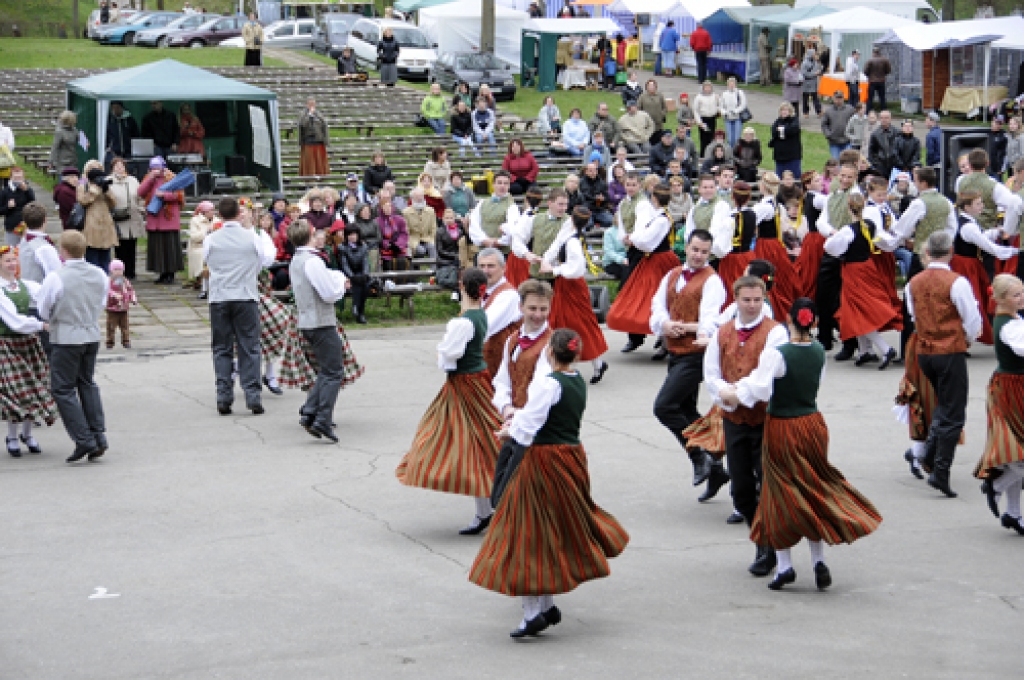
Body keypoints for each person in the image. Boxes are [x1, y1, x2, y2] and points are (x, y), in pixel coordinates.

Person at [470, 326, 628, 639]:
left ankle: (533, 612)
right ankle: (545, 605)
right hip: (570, 458)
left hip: (543, 460)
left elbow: (530, 425)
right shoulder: (576, 381)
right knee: (549, 527)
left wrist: (508, 431)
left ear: (549, 353)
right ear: (577, 355)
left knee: (526, 530)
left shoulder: (547, 384)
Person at [743, 299, 882, 590]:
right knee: (812, 486)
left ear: (788, 320)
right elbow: (815, 383)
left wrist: (732, 392)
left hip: (783, 425)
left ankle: (784, 566)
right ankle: (818, 561)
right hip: (813, 424)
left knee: (779, 490)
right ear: (815, 323)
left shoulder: (776, 355)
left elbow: (759, 390)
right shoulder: (820, 352)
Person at [396, 267, 502, 533]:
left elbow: (449, 358)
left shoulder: (463, 321)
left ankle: (491, 506)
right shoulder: (480, 315)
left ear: (463, 287)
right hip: (476, 380)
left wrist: (441, 355)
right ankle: (484, 511)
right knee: (479, 442)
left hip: (465, 384)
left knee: (467, 443)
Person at [705, 275, 788, 575]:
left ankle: (768, 545)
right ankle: (760, 534)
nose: (752, 305)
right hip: (734, 420)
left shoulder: (776, 333)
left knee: (767, 483)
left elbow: (764, 380)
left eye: (757, 300)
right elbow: (711, 373)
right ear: (736, 300)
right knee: (741, 490)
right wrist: (723, 395)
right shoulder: (722, 333)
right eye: (746, 300)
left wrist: (735, 392)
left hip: (767, 419)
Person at [651, 228, 730, 495]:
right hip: (675, 351)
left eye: (704, 252)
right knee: (687, 412)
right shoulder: (672, 275)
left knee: (664, 407)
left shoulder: (712, 281)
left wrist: (683, 328)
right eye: (695, 250)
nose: (698, 256)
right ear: (687, 246)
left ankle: (699, 457)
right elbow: (658, 305)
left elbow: (710, 321)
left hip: (696, 354)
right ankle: (716, 469)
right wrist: (665, 323)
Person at [905, 231, 982, 497]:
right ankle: (940, 470)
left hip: (924, 350)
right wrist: (967, 339)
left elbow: (913, 314)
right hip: (949, 350)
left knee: (943, 404)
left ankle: (929, 455)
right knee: (954, 411)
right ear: (950, 251)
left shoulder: (913, 282)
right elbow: (971, 318)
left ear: (927, 253)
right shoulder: (957, 282)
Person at [37, 231, 109, 463]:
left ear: (63, 251)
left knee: (63, 388)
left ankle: (83, 438)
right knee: (87, 383)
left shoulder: (57, 277)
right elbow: (102, 302)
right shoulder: (99, 273)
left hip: (66, 335)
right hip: (90, 332)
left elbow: (43, 309)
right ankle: (98, 435)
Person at [204, 196, 276, 417]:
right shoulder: (252, 237)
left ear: (220, 214)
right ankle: (252, 394)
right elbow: (264, 261)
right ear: (238, 213)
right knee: (249, 346)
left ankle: (224, 396)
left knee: (222, 347)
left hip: (219, 296)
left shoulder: (211, 239)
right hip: (245, 295)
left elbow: (206, 262)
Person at [286, 219, 351, 443]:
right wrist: (341, 285)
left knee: (326, 370)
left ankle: (309, 411)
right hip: (320, 322)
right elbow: (328, 293)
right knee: (334, 372)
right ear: (310, 236)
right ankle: (322, 417)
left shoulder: (298, 259)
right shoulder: (312, 261)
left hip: (307, 321)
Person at [823, 192, 901, 369]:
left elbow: (830, 247)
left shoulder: (848, 230)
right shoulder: (870, 225)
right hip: (868, 267)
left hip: (854, 271)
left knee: (857, 310)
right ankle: (865, 350)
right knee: (857, 309)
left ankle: (885, 348)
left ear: (849, 208)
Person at [607, 182, 680, 354]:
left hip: (659, 260)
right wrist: (634, 238)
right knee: (647, 296)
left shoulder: (662, 219)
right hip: (651, 259)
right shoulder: (656, 216)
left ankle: (665, 341)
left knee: (660, 298)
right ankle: (646, 337)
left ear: (654, 198)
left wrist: (633, 238)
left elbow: (646, 242)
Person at [976, 274, 1024, 532]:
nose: (1022, 297)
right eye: (1017, 295)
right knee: (1017, 451)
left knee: (1015, 452)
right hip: (1012, 388)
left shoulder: (1014, 319)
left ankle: (1014, 513)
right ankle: (996, 486)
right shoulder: (1008, 326)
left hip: (1013, 384)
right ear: (1003, 299)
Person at [539, 206, 609, 383]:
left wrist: (554, 269)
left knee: (578, 324)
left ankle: (596, 363)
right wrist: (545, 260)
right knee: (559, 320)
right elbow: (556, 244)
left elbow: (576, 269)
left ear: (572, 220)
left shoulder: (573, 242)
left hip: (573, 286)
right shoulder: (570, 234)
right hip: (565, 284)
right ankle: (556, 363)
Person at [0, 241, 56, 457]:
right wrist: (41, 324)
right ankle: (12, 437)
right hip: (7, 343)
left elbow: (46, 297)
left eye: (14, 259)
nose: (12, 264)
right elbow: (15, 321)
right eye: (7, 261)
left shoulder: (26, 285)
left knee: (34, 388)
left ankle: (28, 434)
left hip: (28, 344)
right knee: (15, 393)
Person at [477, 248, 523, 378]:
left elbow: (484, 327)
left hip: (502, 371)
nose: (485, 271)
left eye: (491, 266)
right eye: (482, 266)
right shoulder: (480, 293)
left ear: (504, 268)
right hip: (487, 369)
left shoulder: (508, 295)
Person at [468, 171, 520, 260]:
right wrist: (484, 240)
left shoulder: (512, 206)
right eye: (499, 183)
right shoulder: (482, 203)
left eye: (505, 183)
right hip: (483, 252)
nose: (502, 186)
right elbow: (474, 224)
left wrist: (498, 242)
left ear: (509, 186)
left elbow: (513, 229)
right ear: (493, 185)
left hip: (503, 254)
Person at [77, 161, 118, 272]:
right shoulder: (82, 181)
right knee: (92, 258)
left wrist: (106, 190)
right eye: (92, 168)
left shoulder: (104, 180)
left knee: (106, 259)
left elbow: (113, 203)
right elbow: (82, 200)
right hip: (91, 223)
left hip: (105, 223)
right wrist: (94, 190)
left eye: (98, 168)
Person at [107, 158, 143, 280]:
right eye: (116, 166)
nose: (119, 168)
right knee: (120, 247)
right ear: (112, 168)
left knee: (132, 245)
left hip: (133, 217)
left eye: (121, 166)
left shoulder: (133, 181)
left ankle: (131, 271)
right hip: (118, 218)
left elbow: (139, 196)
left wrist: (141, 208)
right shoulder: (108, 181)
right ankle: (120, 272)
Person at [104, 258, 135, 349]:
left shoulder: (125, 281)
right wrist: (113, 295)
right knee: (111, 326)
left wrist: (132, 298)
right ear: (111, 270)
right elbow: (107, 291)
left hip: (123, 307)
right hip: (112, 308)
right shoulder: (109, 281)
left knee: (125, 326)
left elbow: (130, 290)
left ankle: (126, 341)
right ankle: (110, 341)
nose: (118, 272)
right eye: (115, 270)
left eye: (120, 270)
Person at [0, 167, 35, 247]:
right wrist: (8, 207)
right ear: (11, 178)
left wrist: (27, 191)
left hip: (26, 226)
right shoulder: (5, 192)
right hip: (11, 226)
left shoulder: (28, 190)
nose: (18, 180)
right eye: (15, 178)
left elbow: (33, 205)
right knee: (12, 250)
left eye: (20, 178)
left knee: (27, 249)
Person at [188, 200, 215, 299]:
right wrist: (206, 231)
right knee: (204, 258)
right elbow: (194, 237)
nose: (213, 212)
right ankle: (204, 289)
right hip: (199, 246)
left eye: (213, 210)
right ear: (204, 212)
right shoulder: (195, 221)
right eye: (210, 210)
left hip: (215, 247)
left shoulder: (217, 221)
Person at [769, 102, 802, 178]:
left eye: (786, 110)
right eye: (782, 110)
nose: (784, 112)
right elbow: (774, 131)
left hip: (792, 156)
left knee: (794, 177)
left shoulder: (794, 120)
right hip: (780, 156)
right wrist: (782, 130)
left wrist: (782, 129)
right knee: (779, 177)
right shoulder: (777, 121)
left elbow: (793, 129)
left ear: (790, 111)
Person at [298, 99, 329, 177]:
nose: (312, 106)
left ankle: (321, 177)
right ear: (307, 105)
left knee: (319, 162)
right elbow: (302, 125)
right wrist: (309, 115)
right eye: (310, 104)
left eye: (313, 104)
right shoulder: (303, 114)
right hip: (308, 142)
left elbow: (324, 126)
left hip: (319, 141)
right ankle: (309, 178)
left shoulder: (319, 114)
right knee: (309, 163)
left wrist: (325, 140)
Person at [377, 200, 410, 271]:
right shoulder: (377, 221)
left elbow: (404, 234)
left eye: (389, 206)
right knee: (387, 262)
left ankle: (403, 279)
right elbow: (378, 237)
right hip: (385, 248)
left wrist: (398, 244)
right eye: (385, 207)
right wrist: (387, 244)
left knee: (403, 261)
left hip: (399, 247)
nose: (388, 208)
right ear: (381, 208)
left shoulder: (400, 219)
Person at [579, 161, 613, 229]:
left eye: (595, 170)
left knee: (611, 221)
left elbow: (607, 197)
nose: (593, 172)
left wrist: (603, 199)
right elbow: (586, 195)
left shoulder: (602, 183)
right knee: (588, 225)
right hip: (587, 209)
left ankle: (598, 223)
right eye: (590, 170)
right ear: (586, 172)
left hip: (599, 209)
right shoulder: (582, 182)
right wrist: (596, 198)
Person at [821, 91, 854, 159]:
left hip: (847, 141)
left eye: (840, 98)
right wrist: (828, 134)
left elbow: (855, 123)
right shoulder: (828, 111)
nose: (839, 100)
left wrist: (852, 135)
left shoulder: (850, 109)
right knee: (836, 162)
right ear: (833, 98)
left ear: (843, 98)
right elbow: (824, 124)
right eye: (837, 98)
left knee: (847, 162)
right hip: (834, 142)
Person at [105, 101, 137, 168]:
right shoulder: (108, 121)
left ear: (122, 108)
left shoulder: (130, 120)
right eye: (113, 108)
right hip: (113, 153)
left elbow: (135, 135)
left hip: (129, 153)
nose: (115, 110)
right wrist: (108, 147)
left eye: (117, 107)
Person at [868, 110, 897, 180]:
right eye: (882, 118)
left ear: (890, 119)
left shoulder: (897, 132)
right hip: (880, 165)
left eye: (886, 118)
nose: (884, 120)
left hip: (895, 165)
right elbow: (871, 151)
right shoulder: (875, 134)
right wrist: (876, 164)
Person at [693, 82, 720, 156]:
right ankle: (703, 155)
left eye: (709, 87)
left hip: (712, 119)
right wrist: (699, 122)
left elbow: (719, 105)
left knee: (711, 138)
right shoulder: (699, 97)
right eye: (706, 87)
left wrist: (718, 111)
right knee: (704, 139)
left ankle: (711, 155)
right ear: (703, 88)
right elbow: (696, 110)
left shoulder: (715, 96)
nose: (707, 89)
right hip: (703, 120)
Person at [49, 111, 78, 176]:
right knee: (64, 182)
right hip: (63, 163)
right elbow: (54, 147)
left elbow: (79, 137)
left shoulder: (74, 129)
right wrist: (51, 162)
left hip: (73, 161)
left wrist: (85, 142)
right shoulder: (59, 132)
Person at [720, 77, 747, 148]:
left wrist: (736, 111)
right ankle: (730, 154)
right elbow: (721, 106)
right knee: (729, 139)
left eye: (733, 84)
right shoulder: (724, 94)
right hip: (728, 118)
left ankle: (736, 154)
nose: (731, 85)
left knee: (736, 138)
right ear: (727, 85)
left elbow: (743, 104)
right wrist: (724, 112)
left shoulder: (739, 92)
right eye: (730, 84)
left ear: (735, 84)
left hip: (737, 117)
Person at [639, 80, 668, 145]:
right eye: (649, 86)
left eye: (653, 86)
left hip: (658, 124)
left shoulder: (660, 96)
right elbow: (638, 109)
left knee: (658, 143)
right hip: (647, 125)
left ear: (655, 87)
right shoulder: (642, 97)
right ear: (646, 87)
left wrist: (661, 115)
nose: (651, 87)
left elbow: (665, 108)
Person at [864, 47, 891, 113]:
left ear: (873, 52)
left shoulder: (870, 60)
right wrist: (883, 74)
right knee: (882, 98)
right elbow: (888, 70)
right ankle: (884, 111)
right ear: (879, 52)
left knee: (870, 98)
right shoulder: (885, 60)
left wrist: (869, 76)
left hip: (872, 81)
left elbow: (865, 71)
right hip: (881, 81)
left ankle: (868, 112)